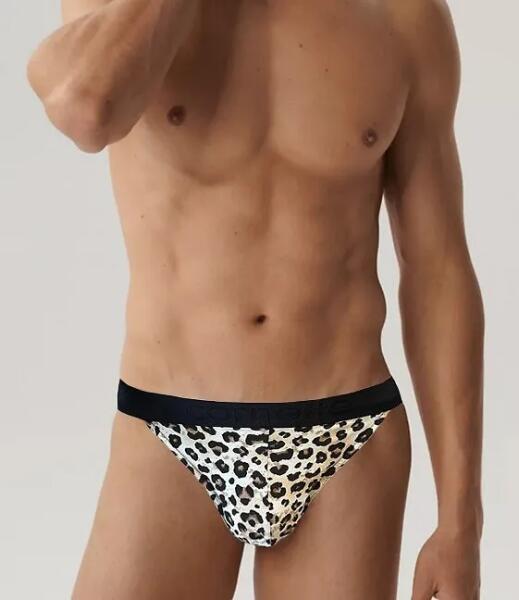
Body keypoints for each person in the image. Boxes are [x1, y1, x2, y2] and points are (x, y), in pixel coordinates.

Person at [27, 1, 484, 598]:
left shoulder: (402, 13)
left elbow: (437, 268)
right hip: (170, 427)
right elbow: (85, 108)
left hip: (347, 432)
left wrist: (461, 523)